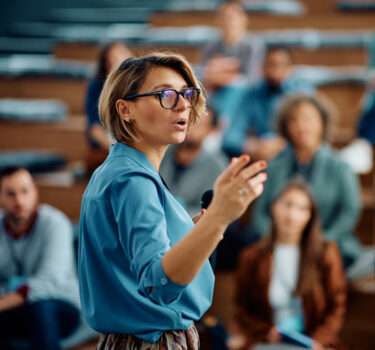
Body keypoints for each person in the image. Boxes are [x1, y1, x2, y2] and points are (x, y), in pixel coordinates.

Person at [78, 52, 268, 349]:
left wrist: (205, 229)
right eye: (166, 94)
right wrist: (218, 216)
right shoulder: (133, 180)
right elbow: (158, 284)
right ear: (125, 109)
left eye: (187, 94)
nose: (182, 104)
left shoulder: (120, 169)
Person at [233, 179, 347, 350]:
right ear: (274, 207)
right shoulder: (252, 256)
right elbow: (242, 309)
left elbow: (336, 306)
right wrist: (265, 332)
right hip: (269, 342)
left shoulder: (325, 252)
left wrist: (318, 341)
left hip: (313, 343)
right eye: (287, 204)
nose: (292, 214)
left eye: (302, 209)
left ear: (310, 216)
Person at [252, 94, 363, 268]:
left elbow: (349, 212)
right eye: (293, 120)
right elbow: (260, 214)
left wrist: (319, 242)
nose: (301, 126)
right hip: (278, 248)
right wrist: (278, 241)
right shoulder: (274, 167)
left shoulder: (341, 166)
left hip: (327, 246)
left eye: (308, 118)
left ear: (322, 122)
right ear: (285, 127)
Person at [0, 166, 80, 350]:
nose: (19, 201)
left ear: (35, 193)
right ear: (1, 197)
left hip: (59, 305)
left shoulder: (55, 223)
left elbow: (48, 282)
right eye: (10, 194)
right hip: (13, 308)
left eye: (25, 191)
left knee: (41, 307)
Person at [222, 46, 314, 160]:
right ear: (262, 68)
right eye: (270, 64)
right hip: (260, 156)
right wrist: (250, 146)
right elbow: (231, 137)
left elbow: (312, 133)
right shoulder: (252, 95)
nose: (276, 70)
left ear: (291, 69)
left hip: (293, 156)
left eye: (282, 65)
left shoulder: (302, 94)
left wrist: (281, 144)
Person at [159, 107, 227, 217]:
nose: (192, 127)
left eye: (200, 124)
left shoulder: (216, 165)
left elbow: (210, 211)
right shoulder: (161, 151)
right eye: (189, 121)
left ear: (210, 130)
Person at [85, 41, 132, 175]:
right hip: (108, 148)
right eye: (114, 60)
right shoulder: (97, 87)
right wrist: (119, 150)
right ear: (106, 67)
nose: (120, 62)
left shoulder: (139, 84)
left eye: (123, 56)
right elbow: (94, 129)